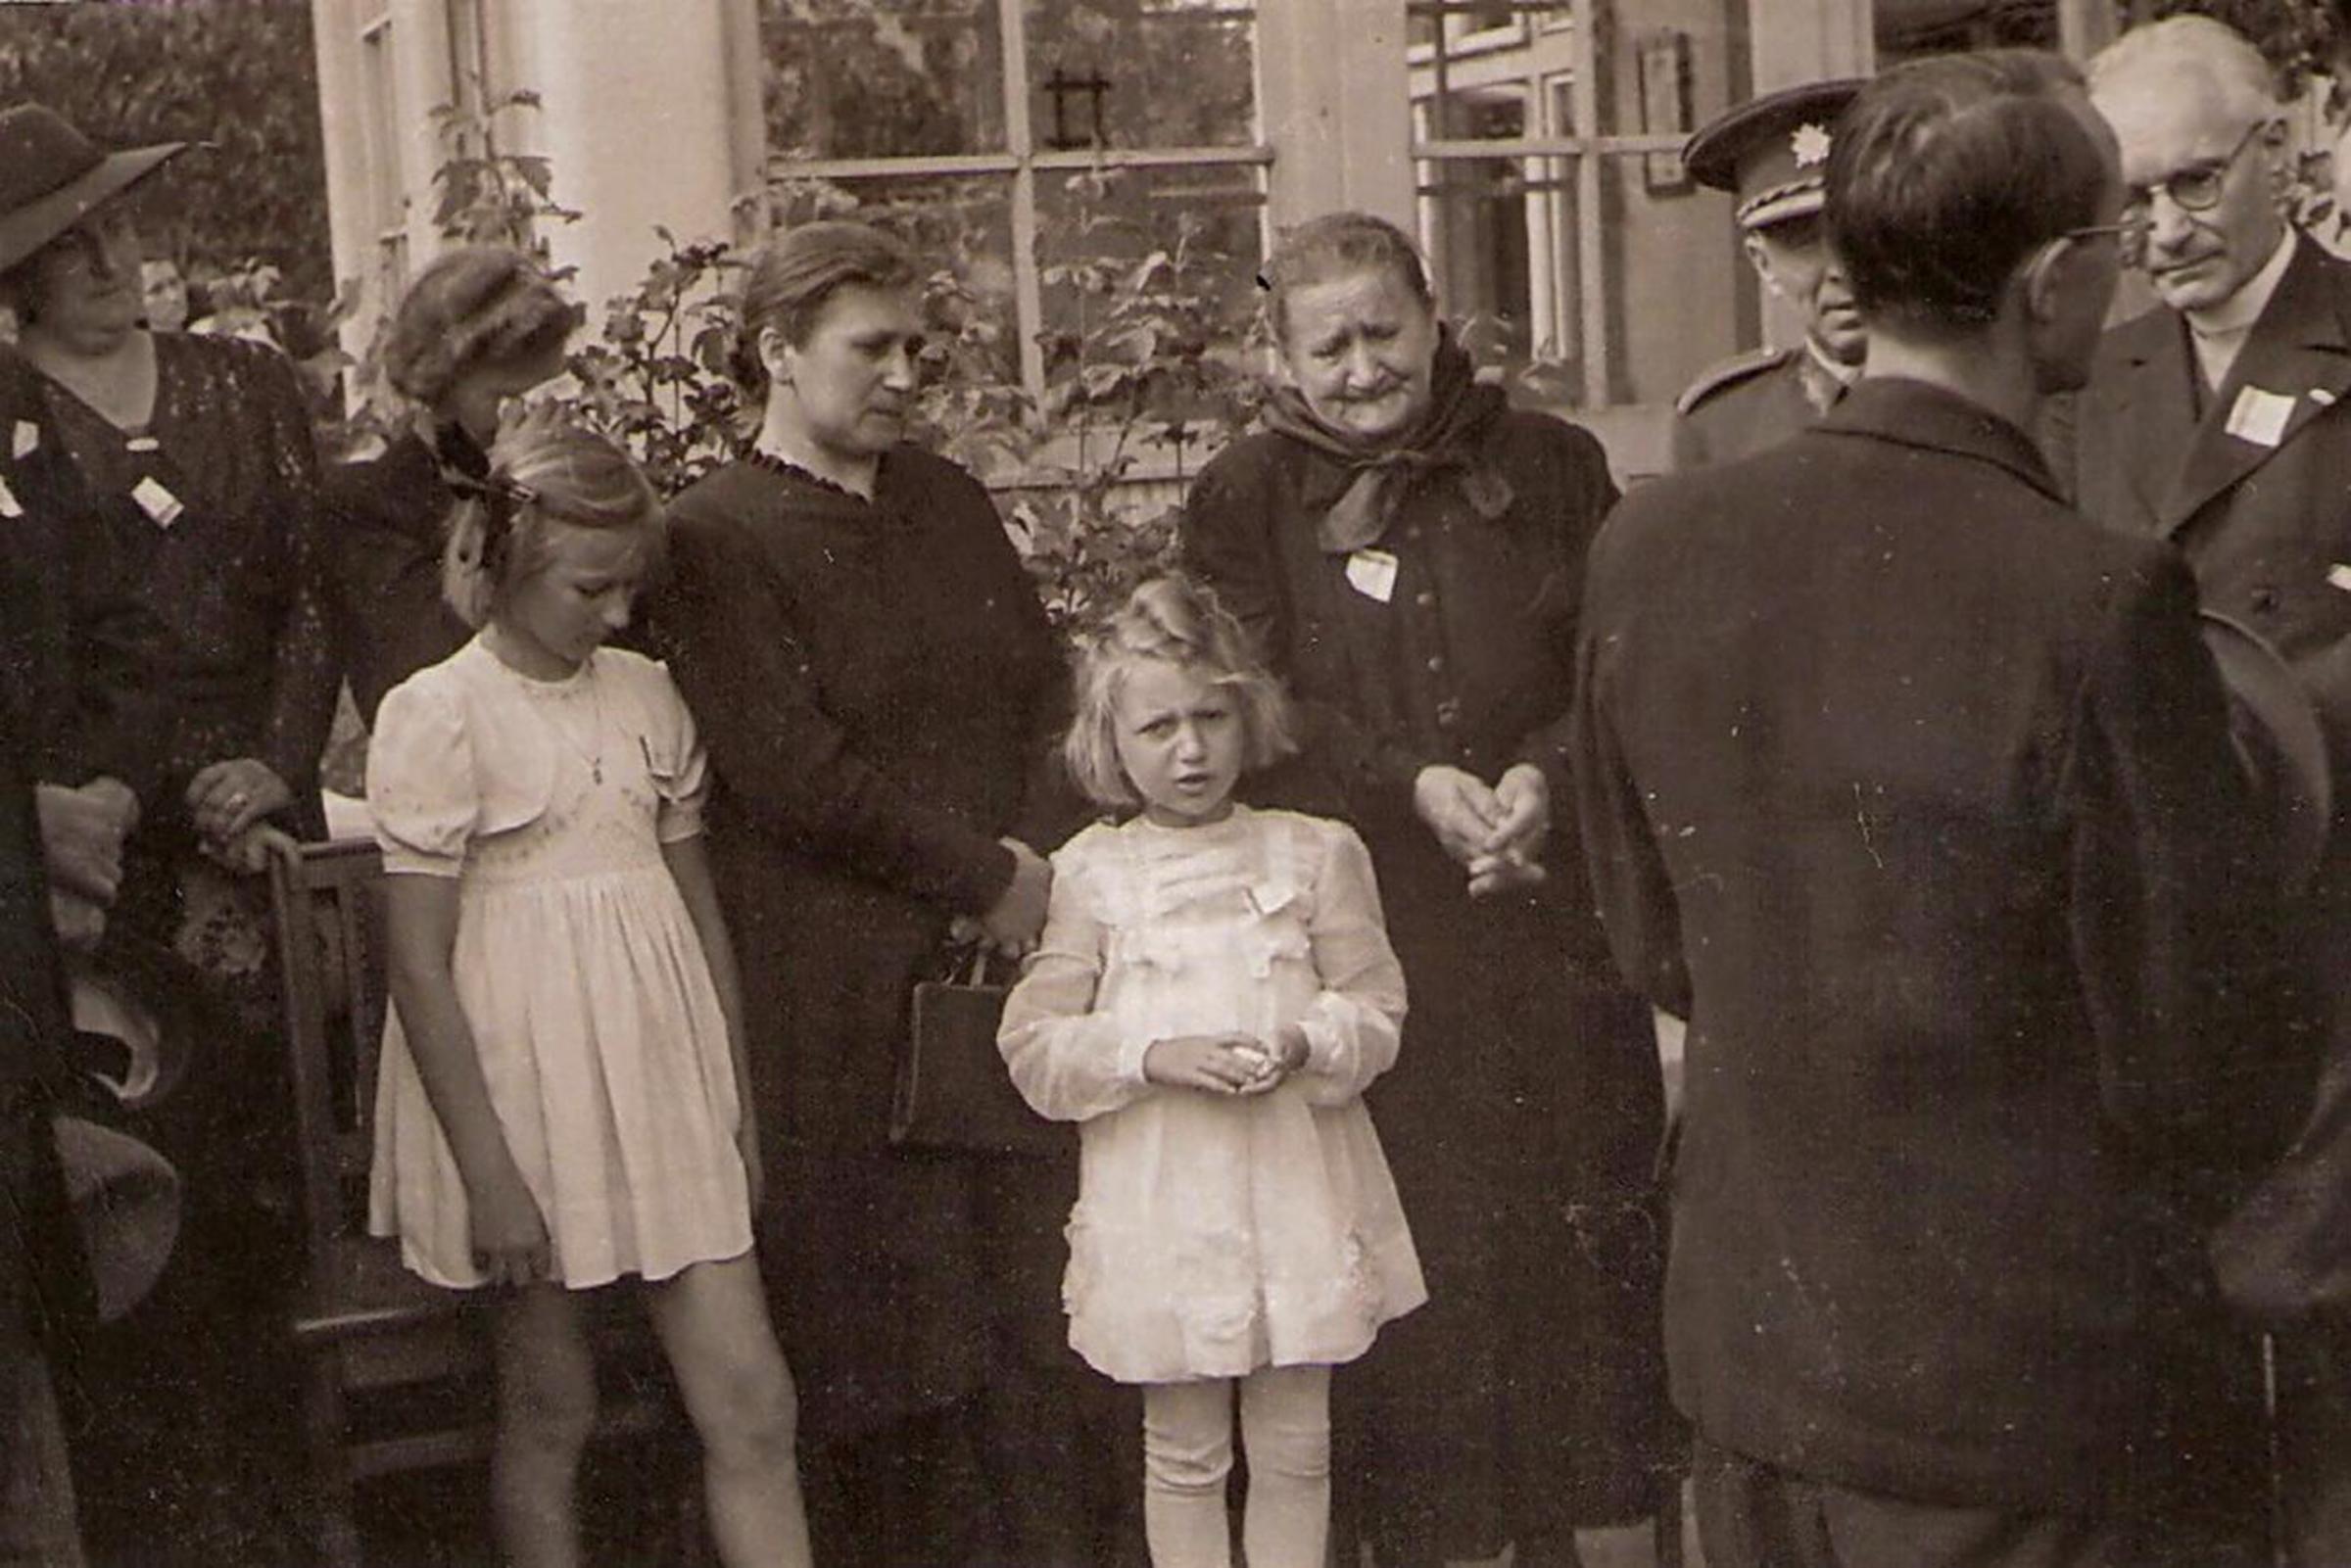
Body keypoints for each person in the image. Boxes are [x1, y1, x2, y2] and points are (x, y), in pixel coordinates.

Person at [1571, 50, 2302, 1568]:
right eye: (2110, 239)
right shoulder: (2098, 600)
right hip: (2029, 1414)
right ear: (2052, 285)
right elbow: (2208, 1062)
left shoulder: (1654, 545)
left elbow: (1651, 942)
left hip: (1759, 1378)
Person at [1181, 212, 1674, 1568]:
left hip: (1549, 919)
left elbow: (1613, 660)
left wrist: (1540, 779)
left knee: (1582, 1248)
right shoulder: (1244, 499)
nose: (1361, 369)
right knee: (1422, 1262)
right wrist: (1411, 784)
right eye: (1327, 346)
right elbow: (1253, 700)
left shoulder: (1553, 464)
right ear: (1280, 359)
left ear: (1433, 315)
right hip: (1370, 944)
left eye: (1382, 332)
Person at [654, 218, 1131, 1568]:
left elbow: (1046, 696)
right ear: (775, 351)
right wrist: (984, 875)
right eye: (873, 347)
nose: (906, 375)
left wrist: (1029, 869)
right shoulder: (712, 537)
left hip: (1005, 987)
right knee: (892, 1367)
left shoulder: (946, 499)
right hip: (840, 1012)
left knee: (1042, 1334)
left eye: (919, 347)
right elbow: (790, 771)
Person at [368, 413, 811, 1568]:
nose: (617, 613)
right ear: (501, 561)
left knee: (755, 1402)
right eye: (589, 588)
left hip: (661, 1080)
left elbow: (697, 916)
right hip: (523, 1098)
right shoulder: (440, 713)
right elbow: (418, 963)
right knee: (550, 1402)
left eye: (630, 587)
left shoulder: (649, 694)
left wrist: (734, 1110)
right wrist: (489, 1175)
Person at [0, 100, 336, 1553]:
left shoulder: (241, 382)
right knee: (131, 1189)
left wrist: (275, 760)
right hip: (89, 855)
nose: (107, 260)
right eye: (66, 244)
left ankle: (292, 1513)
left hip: (250, 833)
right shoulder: (11, 414)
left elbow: (315, 593)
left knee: (278, 1181)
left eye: (118, 226)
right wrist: (78, 805)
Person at [2065, 20, 2351, 1561]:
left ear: (2281, 153)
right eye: (2129, 201)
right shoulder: (2090, 376)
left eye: (2193, 184)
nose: (2162, 230)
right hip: (2168, 930)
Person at [997, 575, 1423, 1568]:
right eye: (1158, 728)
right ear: (1111, 740)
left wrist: (1305, 1041)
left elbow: (1378, 1005)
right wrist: (1149, 1054)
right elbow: (1034, 1043)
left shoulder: (1314, 852)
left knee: (1296, 1444)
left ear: (1248, 713)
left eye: (1211, 717)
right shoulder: (1090, 873)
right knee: (1184, 1450)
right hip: (1164, 1194)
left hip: (1294, 1186)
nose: (1189, 750)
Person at [326, 244, 584, 726]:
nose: (533, 415)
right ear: (438, 386)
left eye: (549, 392)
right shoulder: (371, 504)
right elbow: (418, 675)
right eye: (506, 397)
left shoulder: (573, 484)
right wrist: (508, 496)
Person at [1671, 78, 1868, 470]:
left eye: (1858, 233)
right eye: (1804, 243)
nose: (1839, 270)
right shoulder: (1723, 425)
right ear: (1763, 265)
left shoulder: (1977, 400)